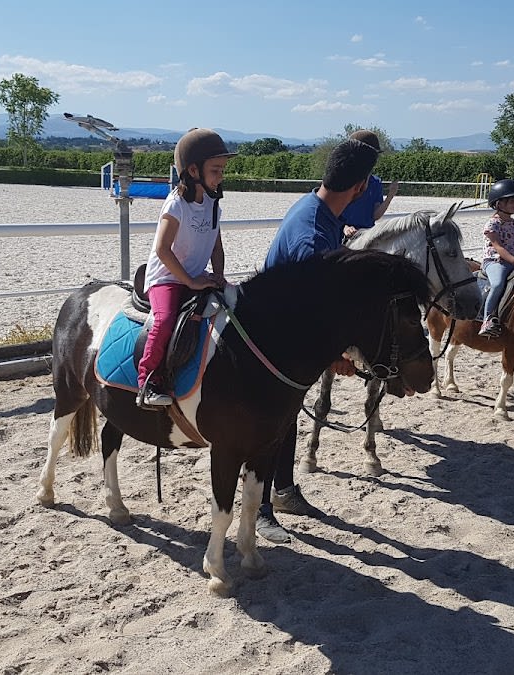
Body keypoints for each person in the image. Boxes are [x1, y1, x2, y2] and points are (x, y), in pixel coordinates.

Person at [257, 138, 379, 543]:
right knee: (270, 424)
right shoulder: (313, 233)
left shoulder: (320, 212)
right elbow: (308, 309)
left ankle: (283, 491)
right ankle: (260, 509)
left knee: (287, 417)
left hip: (284, 332)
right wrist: (334, 354)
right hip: (276, 339)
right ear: (361, 187)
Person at [136, 128, 234, 409]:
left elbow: (216, 247)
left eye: (222, 170)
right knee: (165, 320)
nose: (220, 176)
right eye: (215, 170)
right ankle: (147, 381)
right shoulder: (176, 204)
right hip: (167, 278)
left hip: (197, 276)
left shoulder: (213, 205)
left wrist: (218, 276)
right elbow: (162, 250)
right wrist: (190, 281)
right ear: (193, 170)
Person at [478, 179, 514, 337]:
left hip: (512, 261)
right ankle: (487, 319)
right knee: (498, 284)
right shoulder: (492, 224)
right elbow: (498, 247)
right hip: (494, 262)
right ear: (499, 203)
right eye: (512, 201)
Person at [340, 130, 398, 239]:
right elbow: (331, 213)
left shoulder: (375, 182)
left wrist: (390, 195)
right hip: (342, 236)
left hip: (367, 235)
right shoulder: (341, 179)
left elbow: (375, 216)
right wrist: (344, 227)